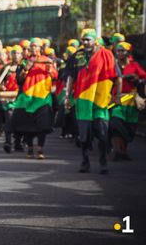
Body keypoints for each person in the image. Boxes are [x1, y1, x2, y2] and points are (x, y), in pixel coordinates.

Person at [65, 29, 121, 174]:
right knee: (83, 135)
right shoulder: (77, 56)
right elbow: (71, 77)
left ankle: (103, 162)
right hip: (83, 101)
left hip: (100, 101)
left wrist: (118, 95)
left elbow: (118, 77)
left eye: (88, 39)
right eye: (83, 40)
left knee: (102, 134)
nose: (85, 42)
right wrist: (67, 96)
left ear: (95, 40)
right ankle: (85, 162)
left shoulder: (107, 55)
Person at [11, 38, 57, 159]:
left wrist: (50, 70)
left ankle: (40, 149)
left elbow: (55, 76)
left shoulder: (48, 61)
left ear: (41, 48)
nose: (33, 48)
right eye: (32, 46)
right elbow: (19, 80)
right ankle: (30, 148)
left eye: (36, 46)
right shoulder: (24, 62)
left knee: (43, 125)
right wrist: (26, 69)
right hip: (28, 98)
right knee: (27, 125)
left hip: (43, 97)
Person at [109, 42, 146, 161]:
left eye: (122, 51)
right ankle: (117, 150)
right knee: (115, 123)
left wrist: (135, 78)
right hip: (116, 99)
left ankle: (123, 151)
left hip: (130, 100)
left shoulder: (134, 66)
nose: (120, 53)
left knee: (128, 127)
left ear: (128, 53)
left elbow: (143, 78)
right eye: (118, 51)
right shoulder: (112, 65)